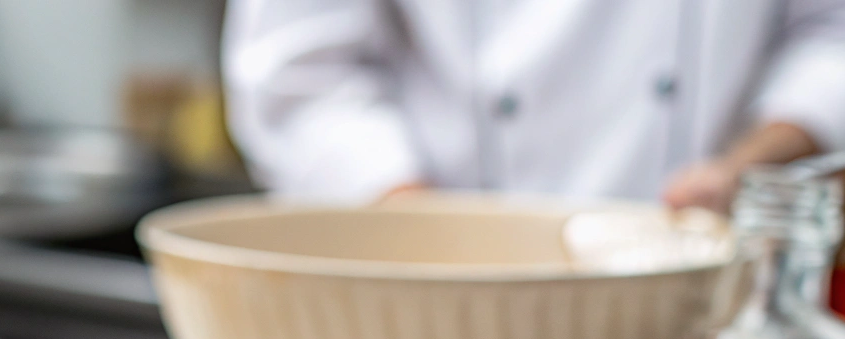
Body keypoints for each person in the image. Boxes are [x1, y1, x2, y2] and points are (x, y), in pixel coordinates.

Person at [222, 0, 845, 211]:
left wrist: (750, 163)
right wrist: (419, 230)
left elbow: (829, 33)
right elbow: (298, 76)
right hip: (427, 316)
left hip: (695, 303)